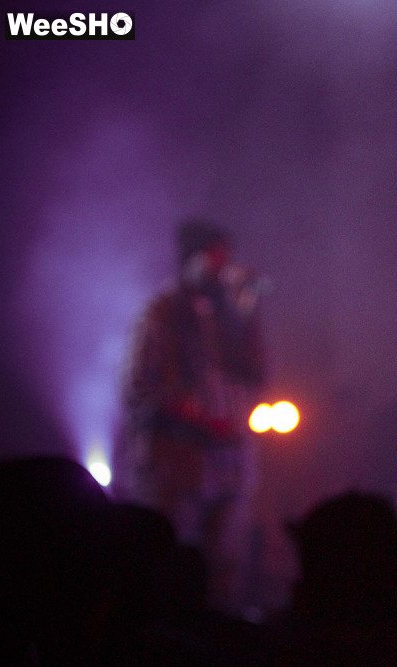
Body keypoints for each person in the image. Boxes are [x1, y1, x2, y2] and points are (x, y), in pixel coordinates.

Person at [119, 218, 266, 613]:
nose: (223, 268)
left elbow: (258, 375)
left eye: (226, 259)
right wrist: (198, 420)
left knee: (227, 567)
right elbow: (142, 388)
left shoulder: (231, 315)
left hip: (229, 463)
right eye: (214, 259)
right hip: (176, 462)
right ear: (193, 260)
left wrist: (248, 315)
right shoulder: (163, 312)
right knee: (169, 564)